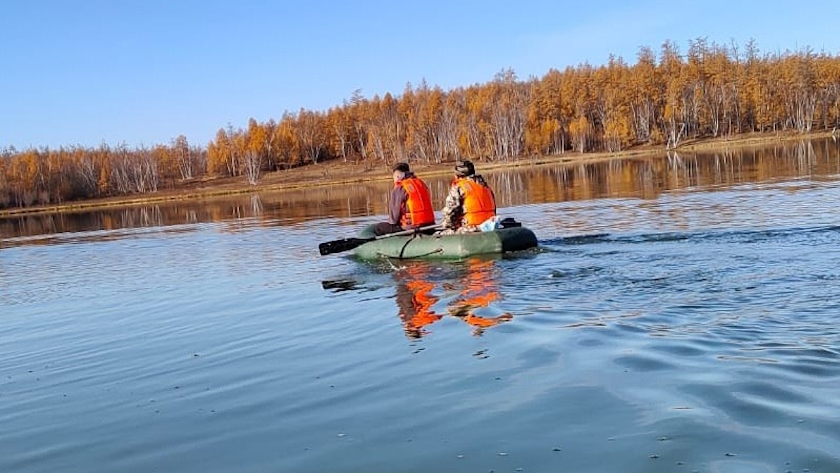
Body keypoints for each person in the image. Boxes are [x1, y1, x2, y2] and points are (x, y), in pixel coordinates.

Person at [373, 162, 436, 236]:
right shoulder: (421, 184)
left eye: (393, 178)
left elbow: (393, 220)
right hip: (430, 226)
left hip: (412, 228)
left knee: (379, 228)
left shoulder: (400, 188)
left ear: (397, 176)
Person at [440, 160, 496, 234]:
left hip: (469, 229)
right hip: (489, 227)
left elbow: (449, 213)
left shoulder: (459, 187)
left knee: (439, 235)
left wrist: (447, 226)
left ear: (456, 175)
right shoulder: (486, 187)